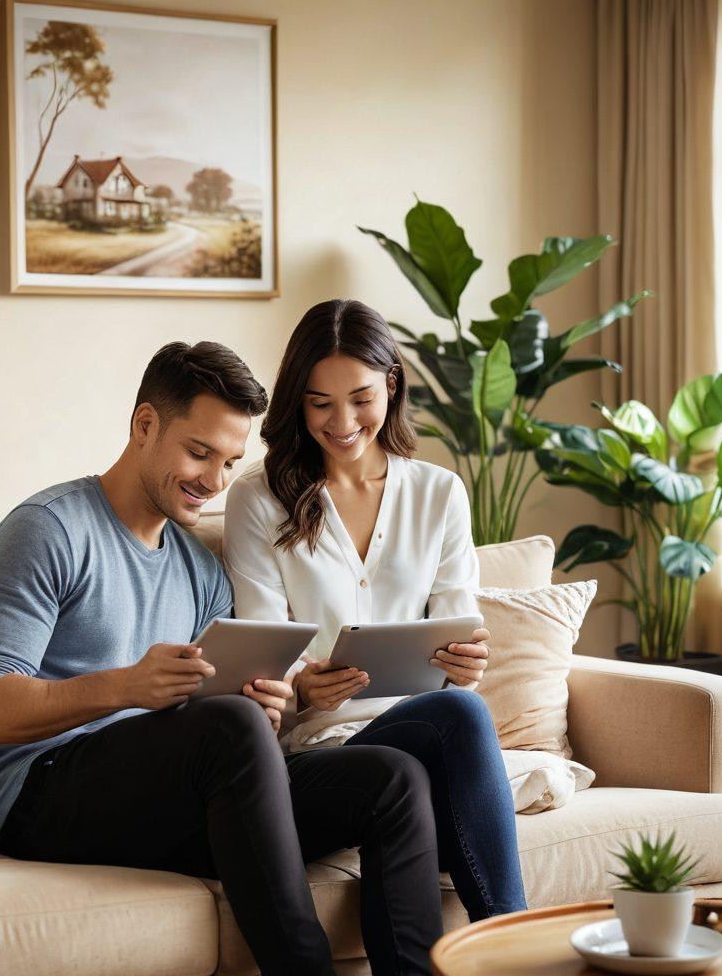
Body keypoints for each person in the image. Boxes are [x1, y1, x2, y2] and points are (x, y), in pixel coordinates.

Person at [0, 340, 450, 976]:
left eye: (230, 462)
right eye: (199, 453)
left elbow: (220, 727)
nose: (215, 481)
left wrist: (272, 703)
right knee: (231, 727)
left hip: (166, 792)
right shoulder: (48, 531)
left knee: (391, 778)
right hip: (39, 795)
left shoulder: (199, 567)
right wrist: (128, 686)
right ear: (145, 425)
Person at [223, 299, 528, 928]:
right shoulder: (259, 497)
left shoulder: (438, 492)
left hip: (425, 733)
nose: (342, 423)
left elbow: (457, 633)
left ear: (391, 385)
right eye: (320, 403)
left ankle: (498, 955)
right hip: (320, 747)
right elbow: (263, 655)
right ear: (298, 402)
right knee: (459, 718)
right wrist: (302, 686)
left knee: (458, 711)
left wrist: (465, 665)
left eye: (360, 399)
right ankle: (513, 943)